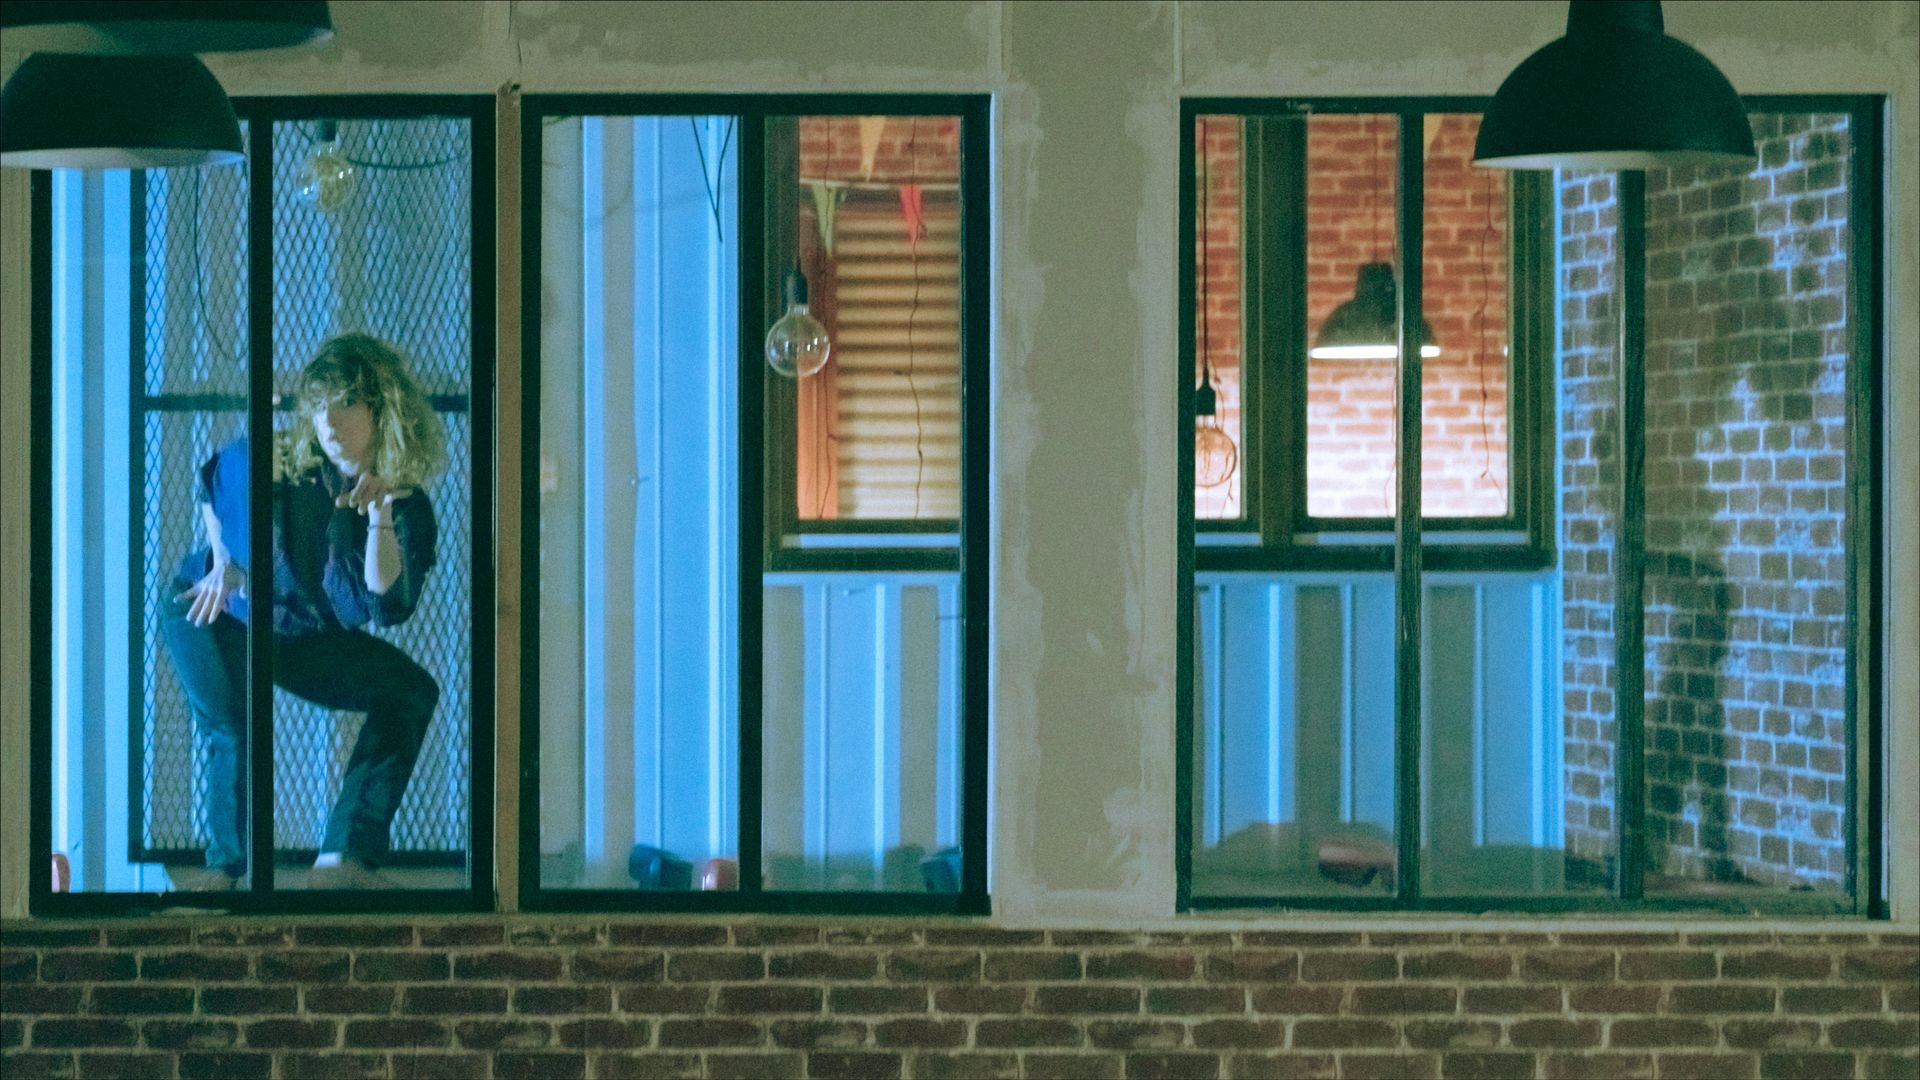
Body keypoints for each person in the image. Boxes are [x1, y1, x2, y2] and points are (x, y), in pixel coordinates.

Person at [161, 333, 444, 890]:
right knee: (234, 725)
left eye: (346, 405)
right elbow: (211, 478)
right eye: (320, 409)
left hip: (297, 630)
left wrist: (382, 518)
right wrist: (223, 558)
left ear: (382, 409)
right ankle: (223, 874)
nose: (330, 423)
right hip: (214, 609)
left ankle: (343, 858)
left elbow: (387, 603)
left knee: (409, 692)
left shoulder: (407, 503)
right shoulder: (285, 463)